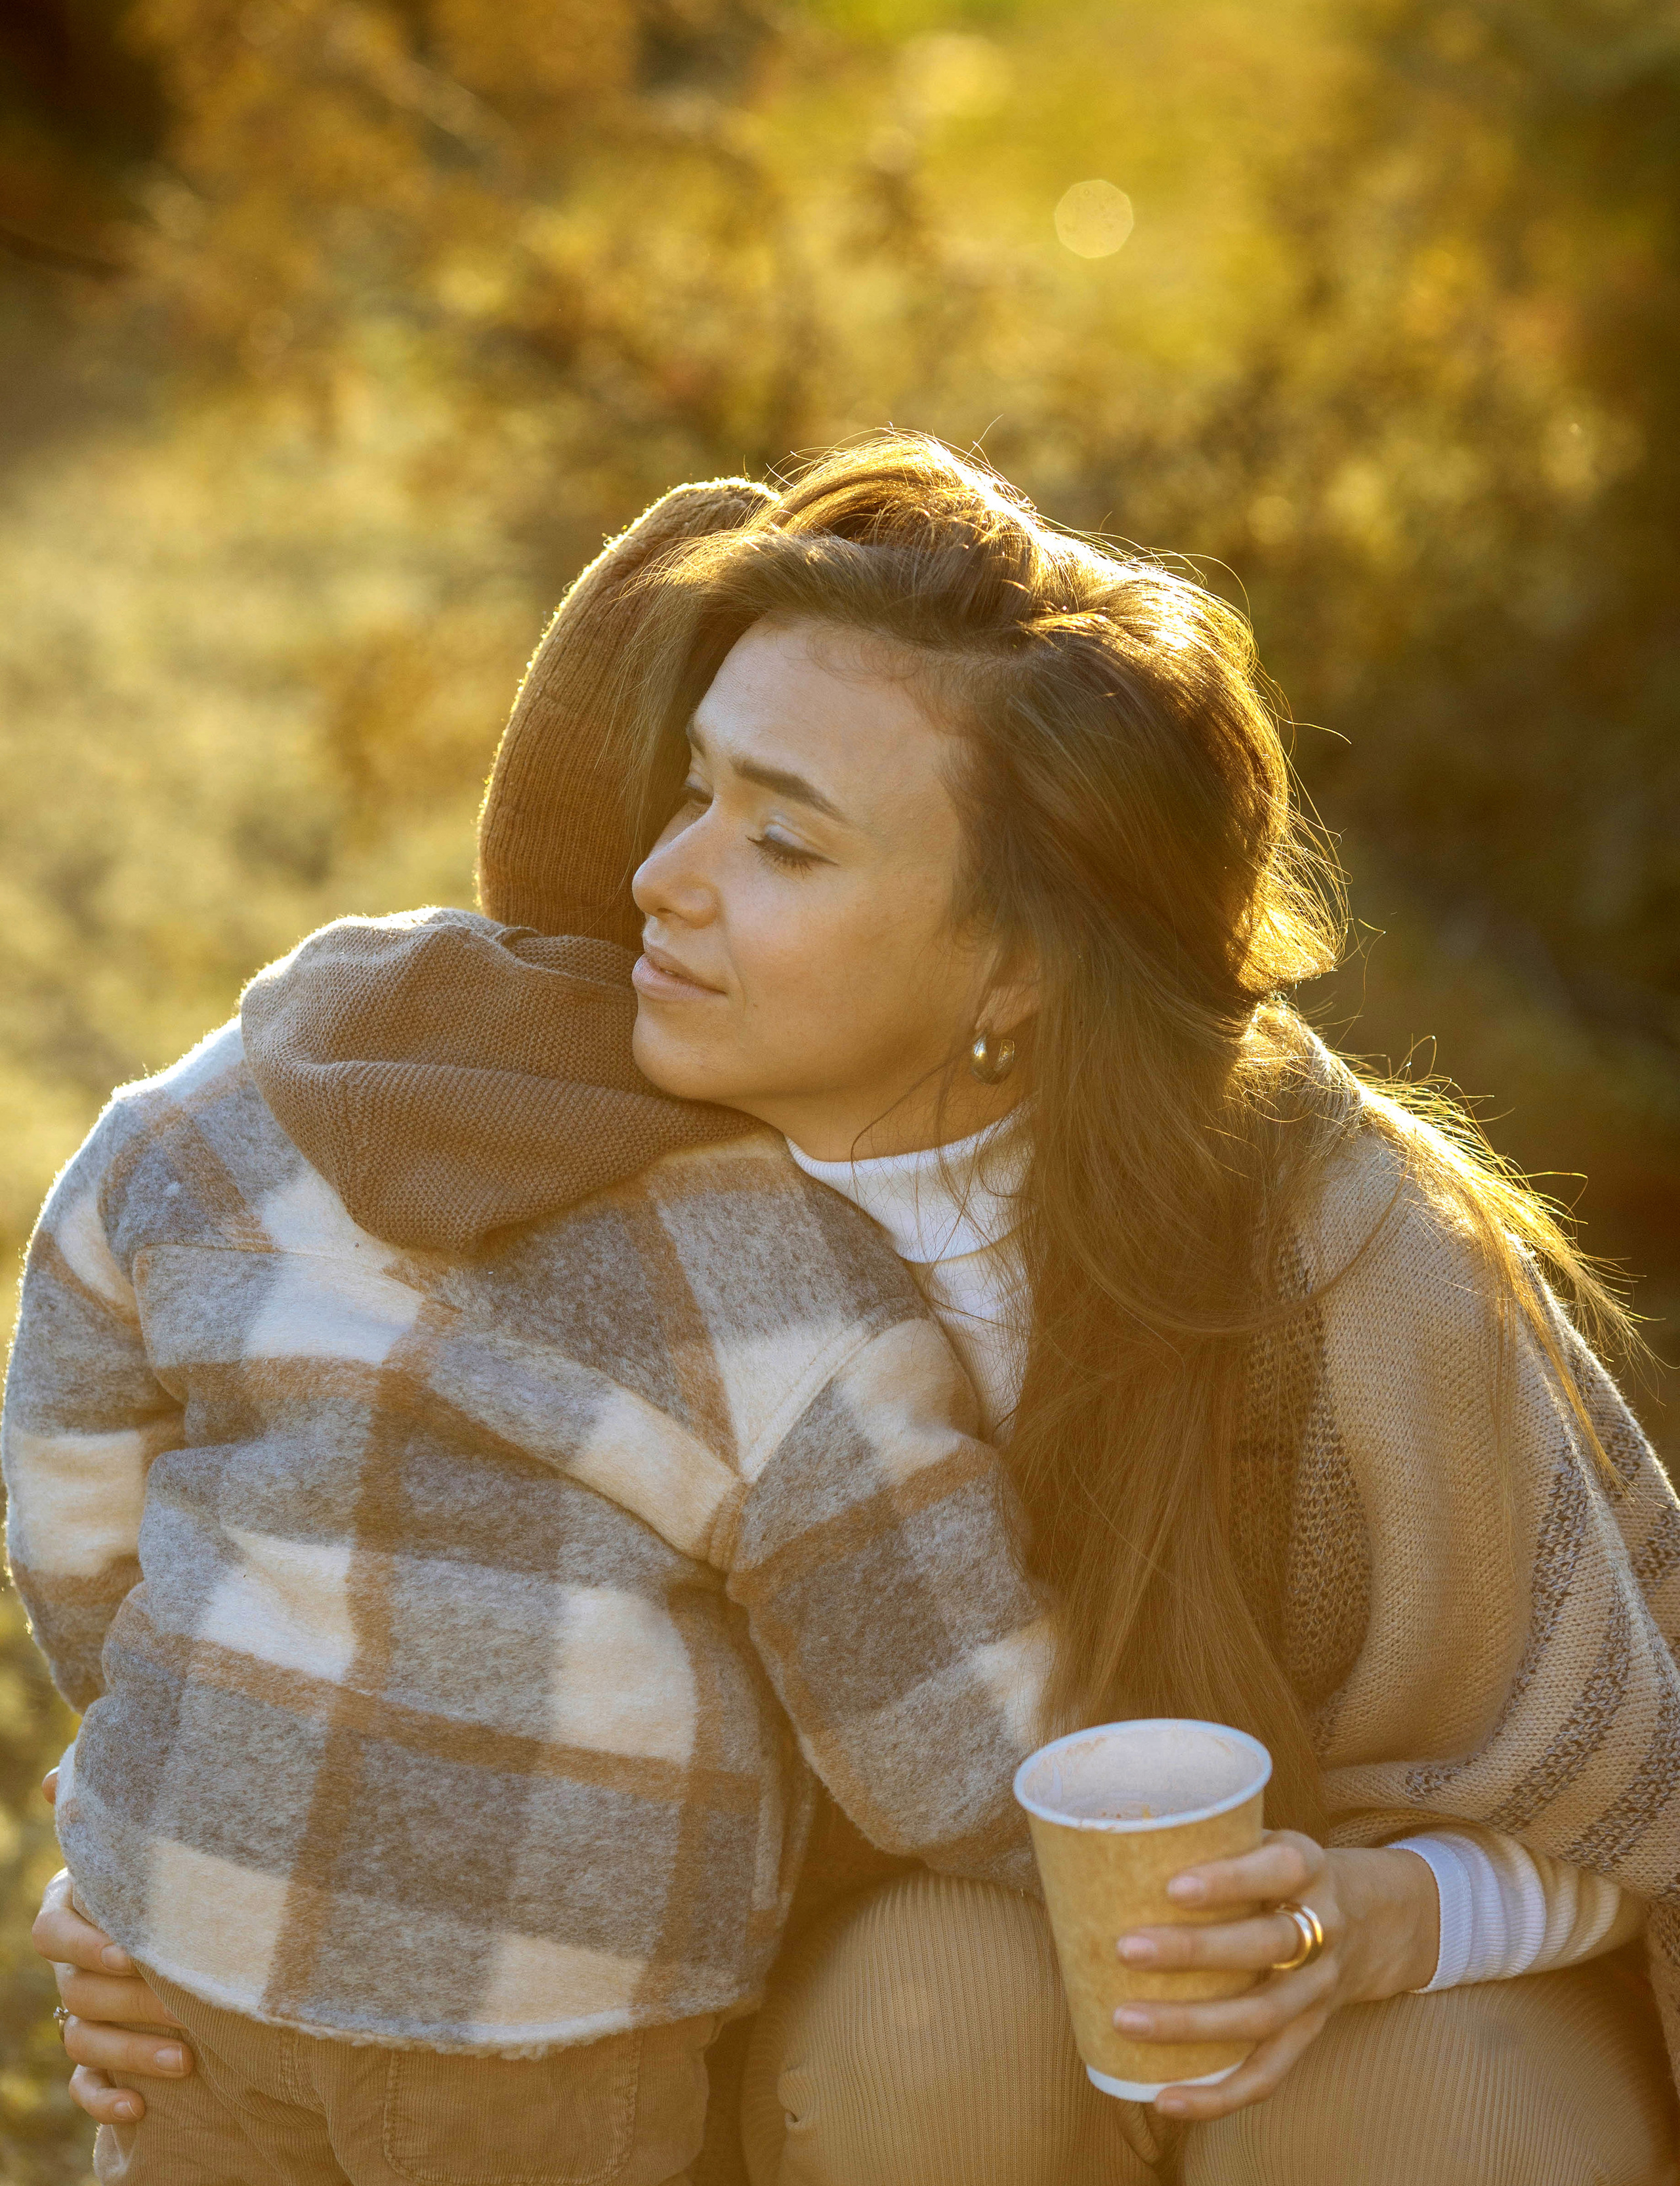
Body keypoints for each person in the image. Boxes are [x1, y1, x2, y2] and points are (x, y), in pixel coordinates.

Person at [35, 435, 1680, 2184]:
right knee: (942, 2022)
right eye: (691, 792)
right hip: (820, 2014)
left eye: (783, 843)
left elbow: (1633, 1786)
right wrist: (172, 1897)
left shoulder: (1336, 1250)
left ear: (1019, 963)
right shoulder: (551, 1156)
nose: (668, 880)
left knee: (1462, 2122)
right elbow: (324, 1596)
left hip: (1362, 1981)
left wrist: (1383, 1918)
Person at [5, 475, 1050, 2186]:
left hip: (194, 1930)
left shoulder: (226, 1099)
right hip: (540, 2011)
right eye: (704, 800)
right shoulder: (781, 1275)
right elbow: (944, 1723)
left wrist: (182, 1736)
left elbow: (69, 1474)